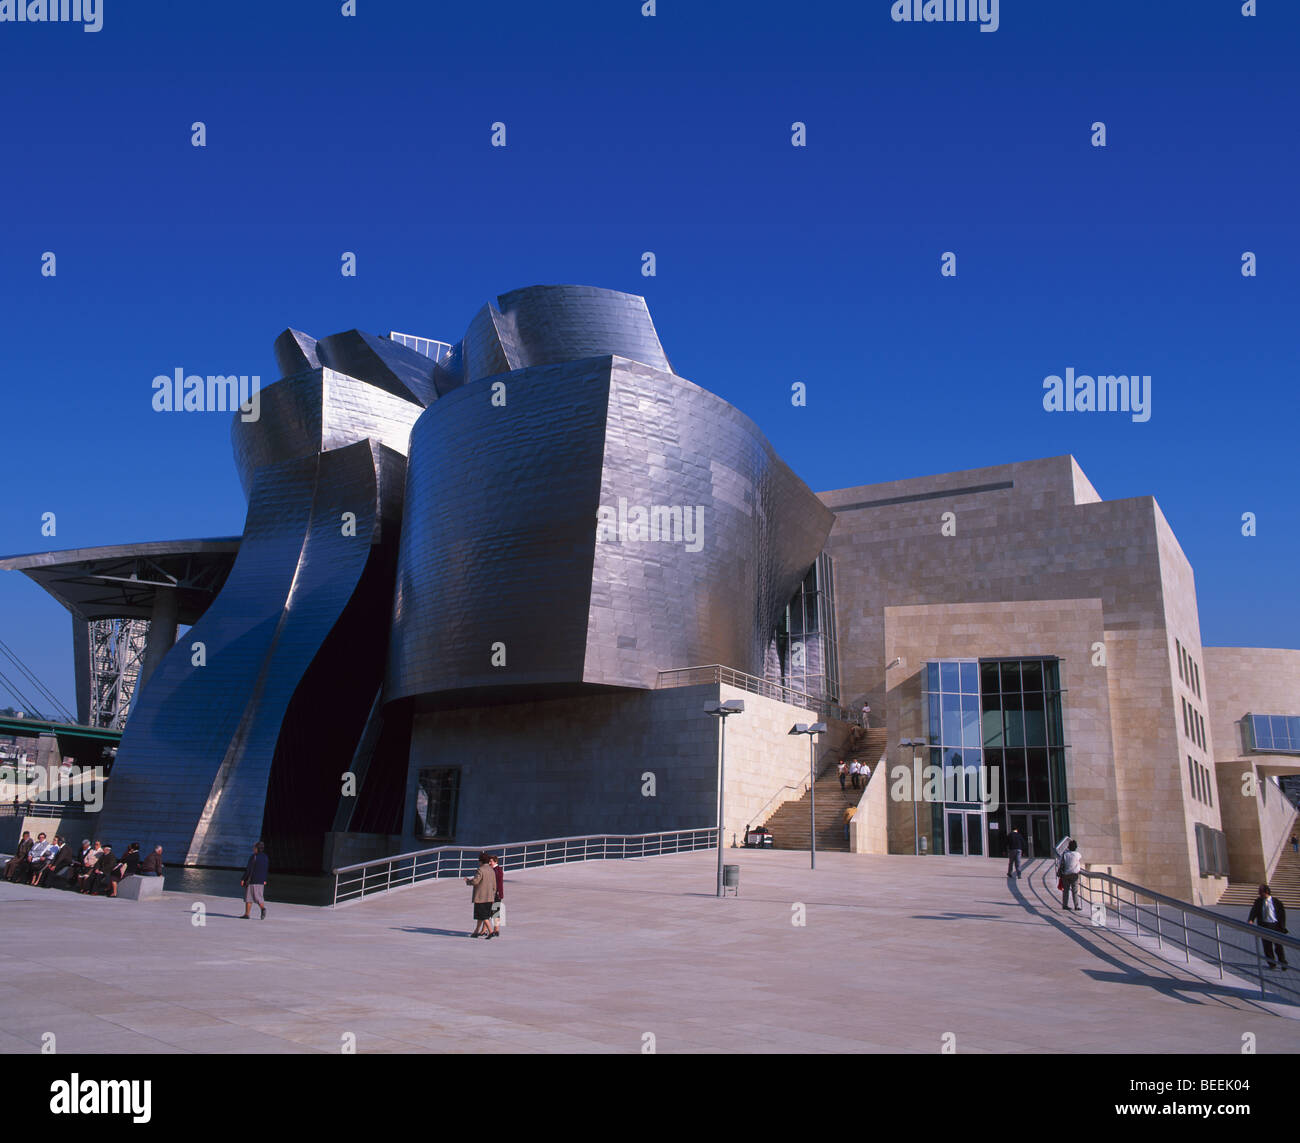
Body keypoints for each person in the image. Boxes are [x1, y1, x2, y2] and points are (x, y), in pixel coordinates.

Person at [1247, 884, 1289, 970]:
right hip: (1264, 925)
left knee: (1278, 946)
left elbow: (1282, 915)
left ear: (1266, 892)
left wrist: (1282, 927)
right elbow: (1254, 911)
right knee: (1267, 946)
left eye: (1261, 892)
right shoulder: (1258, 901)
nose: (1259, 894)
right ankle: (1271, 963)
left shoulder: (1277, 902)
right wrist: (1251, 920)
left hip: (1275, 925)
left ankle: (1283, 963)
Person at [465, 852, 496, 938]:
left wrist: (468, 881)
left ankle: (491, 931)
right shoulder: (491, 870)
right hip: (490, 897)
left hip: (481, 897)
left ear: (481, 861)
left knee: (483, 915)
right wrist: (493, 895)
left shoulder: (480, 870)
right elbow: (494, 885)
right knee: (481, 916)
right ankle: (476, 932)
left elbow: (475, 881)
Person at [240, 841, 270, 919]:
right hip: (261, 881)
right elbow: (265, 869)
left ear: (257, 848)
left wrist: (243, 879)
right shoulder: (265, 857)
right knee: (259, 896)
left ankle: (247, 914)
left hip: (252, 880)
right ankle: (261, 909)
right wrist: (264, 879)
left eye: (254, 847)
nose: (253, 849)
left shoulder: (254, 856)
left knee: (249, 897)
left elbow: (249, 869)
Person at [1058, 839, 1083, 911]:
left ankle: (1065, 905)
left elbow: (1060, 863)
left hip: (1065, 874)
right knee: (1075, 891)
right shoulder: (1078, 854)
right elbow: (1079, 859)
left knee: (1065, 890)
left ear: (1068, 847)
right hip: (1074, 874)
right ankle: (1076, 906)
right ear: (1075, 847)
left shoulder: (1065, 854)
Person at [488, 853, 504, 939]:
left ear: (495, 861)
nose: (489, 863)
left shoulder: (495, 870)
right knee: (496, 913)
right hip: (498, 894)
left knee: (490, 912)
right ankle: (496, 930)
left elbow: (496, 884)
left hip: (495, 894)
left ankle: (491, 930)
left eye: (491, 861)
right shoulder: (499, 869)